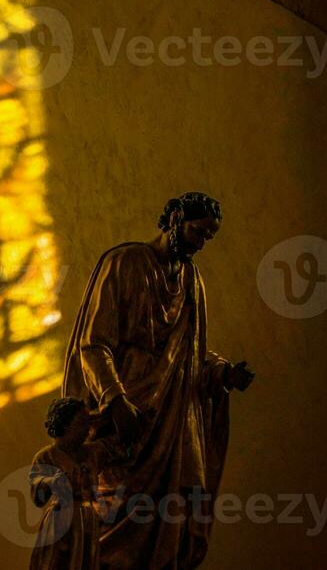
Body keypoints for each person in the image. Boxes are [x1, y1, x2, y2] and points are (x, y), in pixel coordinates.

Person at [59, 192, 255, 568]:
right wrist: (116, 401)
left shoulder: (191, 279)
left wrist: (223, 373)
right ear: (176, 217)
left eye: (208, 238)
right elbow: (93, 343)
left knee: (174, 513)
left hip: (174, 420)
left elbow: (191, 353)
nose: (200, 244)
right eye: (198, 232)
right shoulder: (125, 262)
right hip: (129, 414)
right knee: (118, 508)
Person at [28, 397, 111, 570]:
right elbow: (38, 498)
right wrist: (50, 482)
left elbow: (120, 448)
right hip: (60, 521)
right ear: (64, 425)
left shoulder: (94, 452)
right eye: (81, 423)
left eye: (88, 423)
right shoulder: (46, 457)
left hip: (89, 520)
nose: (87, 429)